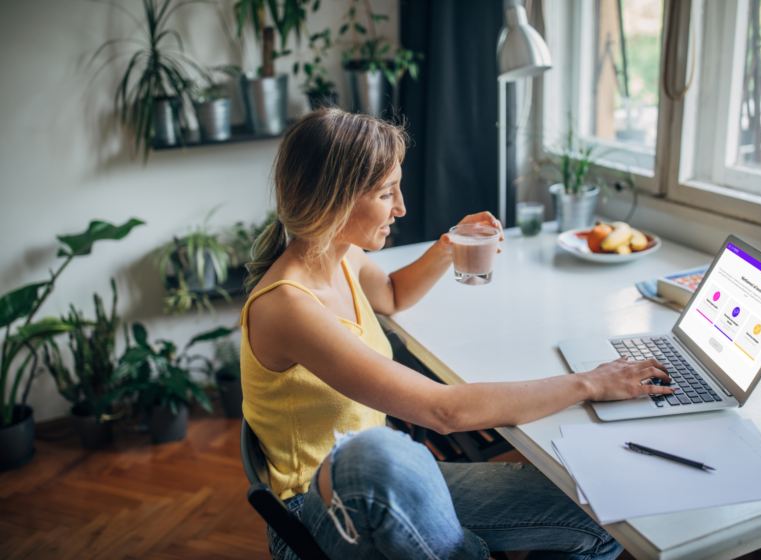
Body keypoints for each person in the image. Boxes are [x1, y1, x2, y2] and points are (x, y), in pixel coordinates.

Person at [240, 108, 675, 560]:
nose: (401, 207)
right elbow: (441, 411)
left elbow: (390, 294)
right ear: (335, 199)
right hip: (322, 514)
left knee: (603, 519)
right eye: (387, 192)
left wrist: (451, 244)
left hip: (389, 480)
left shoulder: (339, 255)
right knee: (371, 456)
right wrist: (590, 382)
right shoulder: (287, 306)